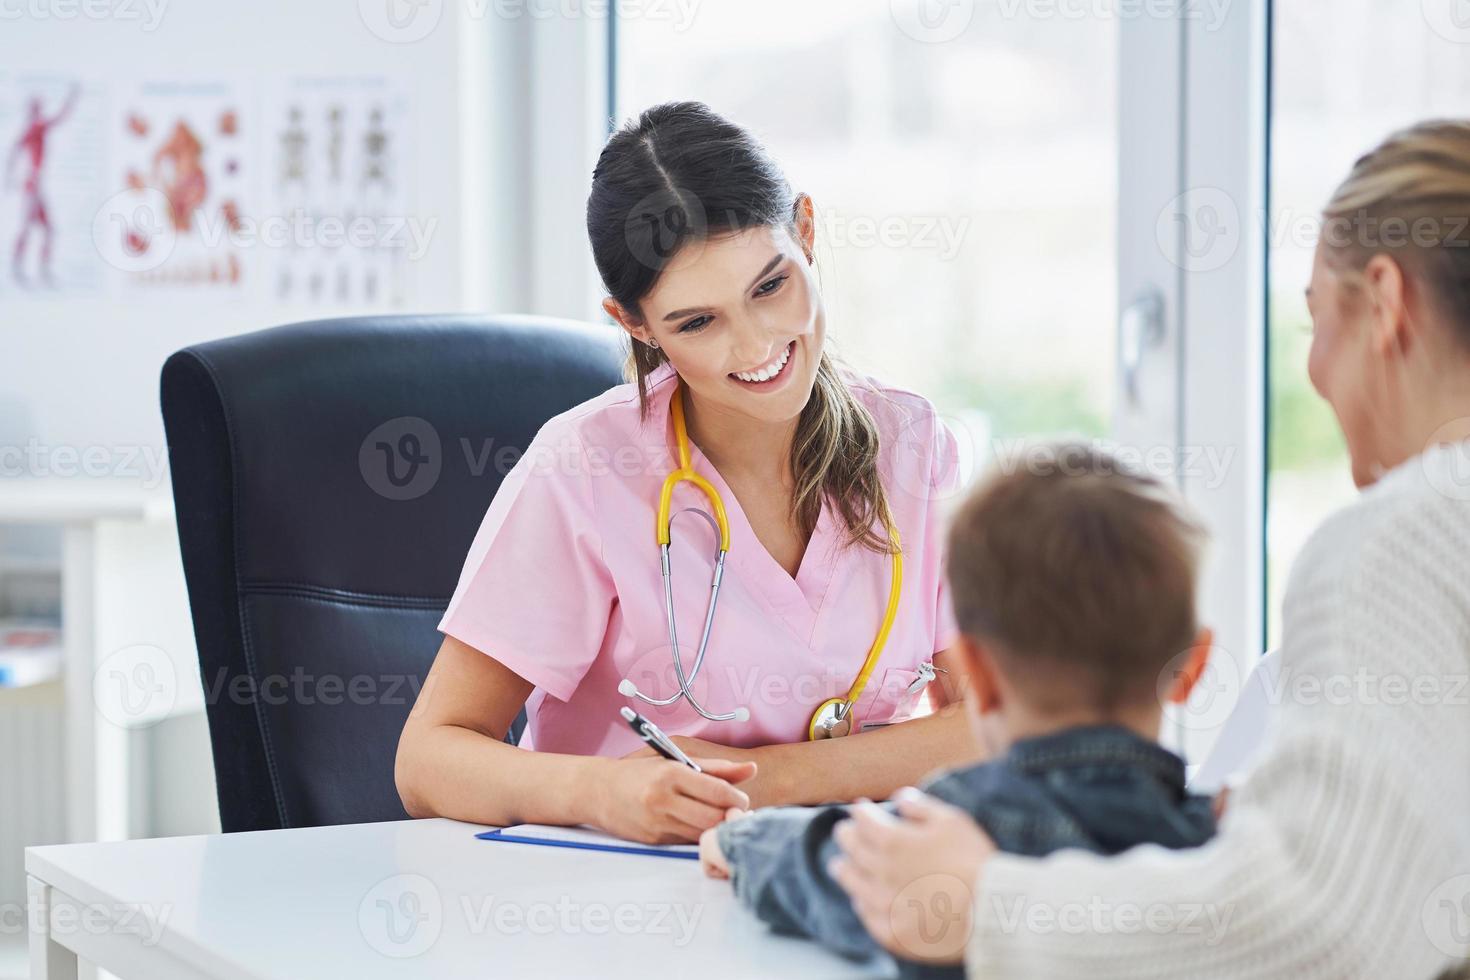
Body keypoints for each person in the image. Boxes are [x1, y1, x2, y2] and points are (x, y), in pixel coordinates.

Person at [829, 119, 1470, 979]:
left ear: (1387, 301)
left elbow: (1320, 933)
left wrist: (987, 905)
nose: (1315, 369)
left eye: (1316, 320)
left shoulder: (1400, 541)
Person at [396, 102, 978, 845]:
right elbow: (428, 760)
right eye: (697, 322)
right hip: (620, 905)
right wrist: (605, 790)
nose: (757, 344)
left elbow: (998, 725)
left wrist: (769, 781)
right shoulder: (586, 468)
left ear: (805, 231)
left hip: (845, 881)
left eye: (771, 287)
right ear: (634, 323)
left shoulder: (912, 445)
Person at [699, 444, 1218, 976]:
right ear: (1193, 668)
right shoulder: (1212, 837)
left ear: (979, 675)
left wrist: (736, 841)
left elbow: (823, 863)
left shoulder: (952, 826)